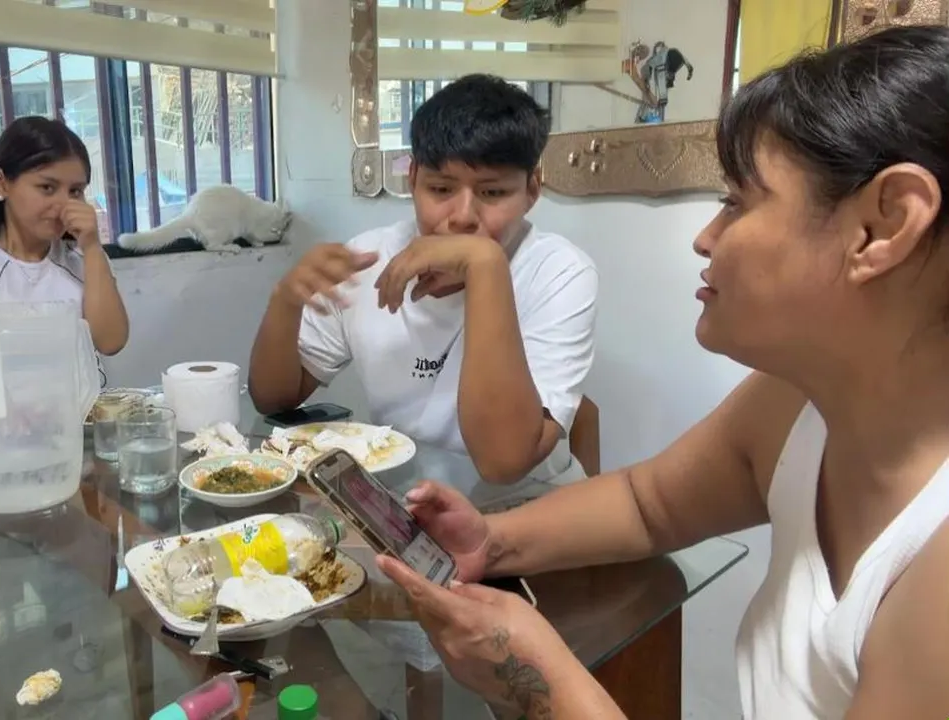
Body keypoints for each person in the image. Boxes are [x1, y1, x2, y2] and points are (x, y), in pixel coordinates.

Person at [376, 25, 949, 720]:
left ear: (885, 226)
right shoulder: (793, 406)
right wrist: (490, 542)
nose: (706, 238)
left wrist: (540, 681)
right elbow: (648, 504)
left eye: (737, 202)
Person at [248, 74, 597, 485]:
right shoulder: (369, 259)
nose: (463, 216)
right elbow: (274, 400)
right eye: (441, 188)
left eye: (493, 193)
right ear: (412, 179)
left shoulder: (560, 273)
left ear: (531, 191)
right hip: (408, 495)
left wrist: (485, 265)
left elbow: (503, 463)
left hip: (533, 502)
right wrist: (285, 301)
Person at [0, 116, 129, 374]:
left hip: (84, 401)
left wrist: (93, 248)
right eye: (47, 187)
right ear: (1, 182)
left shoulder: (85, 259)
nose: (63, 204)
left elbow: (110, 342)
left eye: (75, 191)